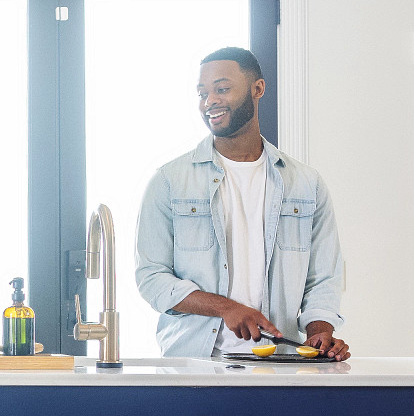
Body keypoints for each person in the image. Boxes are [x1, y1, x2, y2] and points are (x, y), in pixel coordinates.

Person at [134, 46, 350, 360]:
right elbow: (152, 278)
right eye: (202, 93)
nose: (210, 102)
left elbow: (324, 277)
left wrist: (320, 332)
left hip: (283, 361)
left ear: (257, 89)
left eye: (221, 89)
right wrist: (226, 308)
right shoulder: (169, 181)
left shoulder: (306, 183)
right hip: (195, 363)